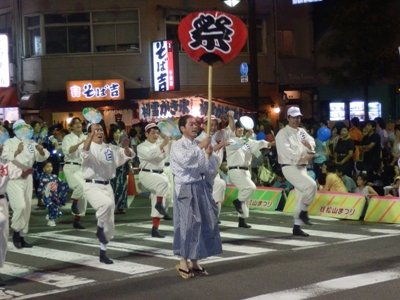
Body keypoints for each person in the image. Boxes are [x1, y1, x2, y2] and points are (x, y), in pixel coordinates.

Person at [170, 115, 222, 279]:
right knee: (187, 225)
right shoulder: (177, 145)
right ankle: (183, 260)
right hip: (186, 188)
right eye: (191, 124)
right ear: (182, 128)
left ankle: (194, 259)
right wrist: (201, 147)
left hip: (200, 187)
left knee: (202, 223)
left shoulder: (197, 146)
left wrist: (210, 155)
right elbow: (185, 162)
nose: (195, 126)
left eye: (196, 124)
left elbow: (208, 170)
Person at [81, 123, 135, 264]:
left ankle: (103, 252)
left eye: (100, 130)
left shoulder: (110, 148)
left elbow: (127, 155)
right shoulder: (87, 146)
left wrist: (126, 147)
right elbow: (84, 153)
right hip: (91, 185)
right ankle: (99, 228)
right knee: (107, 205)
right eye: (95, 130)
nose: (99, 132)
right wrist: (89, 138)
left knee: (109, 222)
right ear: (89, 133)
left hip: (107, 185)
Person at [2, 119, 50, 248]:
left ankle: (22, 236)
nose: (23, 131)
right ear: (15, 130)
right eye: (20, 128)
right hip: (13, 178)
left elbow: (43, 156)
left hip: (27, 177)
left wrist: (40, 151)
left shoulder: (31, 143)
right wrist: (16, 151)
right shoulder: (9, 142)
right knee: (20, 206)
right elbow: (4, 155)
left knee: (27, 207)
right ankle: (16, 231)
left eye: (25, 128)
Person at [275, 107, 317, 237]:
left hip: (302, 167)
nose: (296, 120)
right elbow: (286, 151)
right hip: (290, 167)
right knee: (311, 185)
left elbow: (311, 142)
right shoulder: (282, 133)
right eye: (293, 117)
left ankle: (296, 226)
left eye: (298, 117)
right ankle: (303, 212)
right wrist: (301, 158)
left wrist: (310, 149)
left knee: (300, 196)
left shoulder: (302, 131)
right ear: (288, 118)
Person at [226, 119, 274, 228]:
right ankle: (237, 202)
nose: (241, 129)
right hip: (235, 169)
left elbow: (259, 143)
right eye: (239, 127)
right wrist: (248, 136)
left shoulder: (247, 141)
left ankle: (241, 220)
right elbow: (240, 143)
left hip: (245, 170)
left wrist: (269, 143)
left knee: (244, 194)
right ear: (234, 129)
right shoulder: (230, 140)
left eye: (242, 127)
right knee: (250, 188)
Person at [0, 146, 32, 286]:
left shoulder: (6, 162)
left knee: (3, 238)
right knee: (0, 221)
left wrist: (24, 173)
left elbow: (17, 174)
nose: (1, 147)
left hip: (2, 200)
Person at [196, 114, 233, 223]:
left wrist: (231, 117)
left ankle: (214, 217)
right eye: (210, 125)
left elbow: (230, 130)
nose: (213, 127)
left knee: (220, 187)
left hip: (214, 171)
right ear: (204, 126)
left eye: (215, 125)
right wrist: (221, 145)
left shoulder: (217, 135)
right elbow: (207, 151)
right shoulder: (200, 139)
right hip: (202, 172)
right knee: (206, 196)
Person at [137, 123, 172, 238]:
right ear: (146, 134)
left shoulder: (160, 143)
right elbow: (149, 155)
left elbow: (167, 151)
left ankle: (155, 229)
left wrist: (164, 141)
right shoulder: (141, 146)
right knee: (163, 184)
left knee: (167, 198)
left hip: (160, 173)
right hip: (147, 174)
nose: (156, 135)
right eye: (153, 133)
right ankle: (158, 203)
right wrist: (162, 144)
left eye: (157, 133)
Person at [61, 117, 87, 229]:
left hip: (83, 167)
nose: (78, 125)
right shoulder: (67, 138)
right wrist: (80, 144)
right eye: (75, 123)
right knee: (81, 186)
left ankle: (77, 219)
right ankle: (74, 202)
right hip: (71, 166)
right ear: (71, 127)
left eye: (80, 123)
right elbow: (69, 151)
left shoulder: (85, 136)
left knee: (84, 194)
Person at [37, 160, 69, 227]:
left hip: (55, 195)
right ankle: (51, 220)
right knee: (51, 207)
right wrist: (43, 192)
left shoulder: (55, 176)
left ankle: (50, 217)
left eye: (51, 166)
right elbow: (40, 188)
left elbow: (62, 183)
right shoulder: (42, 177)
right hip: (47, 196)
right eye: (47, 167)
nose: (49, 168)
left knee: (56, 208)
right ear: (44, 168)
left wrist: (63, 190)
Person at [109, 126, 131, 214]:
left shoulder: (122, 144)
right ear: (112, 134)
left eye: (118, 133)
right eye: (115, 133)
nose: (117, 135)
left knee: (122, 187)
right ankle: (113, 207)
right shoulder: (110, 144)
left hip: (122, 169)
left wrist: (128, 163)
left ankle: (121, 206)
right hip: (114, 169)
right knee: (114, 187)